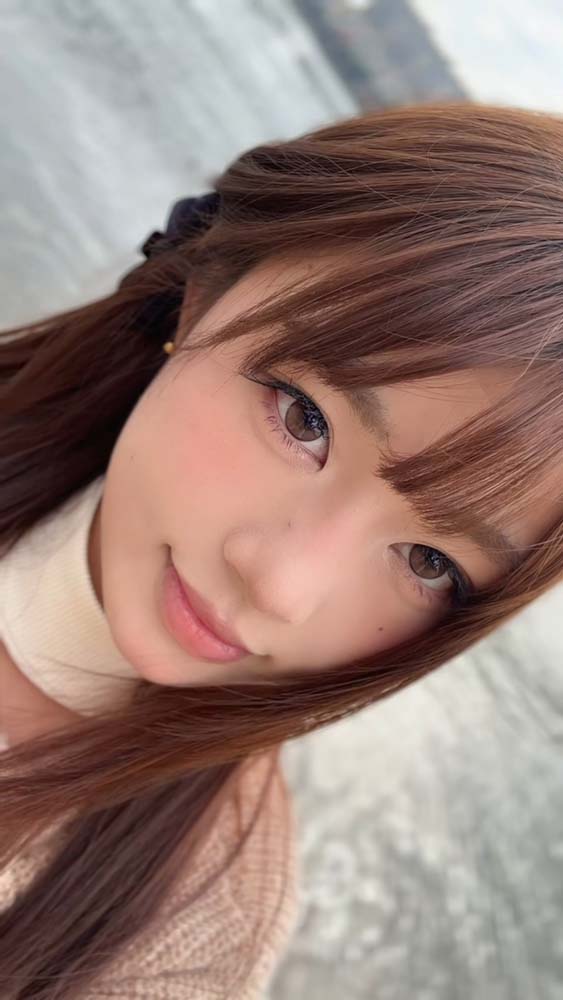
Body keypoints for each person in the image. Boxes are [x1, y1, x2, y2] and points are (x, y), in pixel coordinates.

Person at [1, 99, 563, 999]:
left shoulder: (191, 932)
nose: (281, 588)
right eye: (305, 420)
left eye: (430, 564)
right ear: (203, 291)